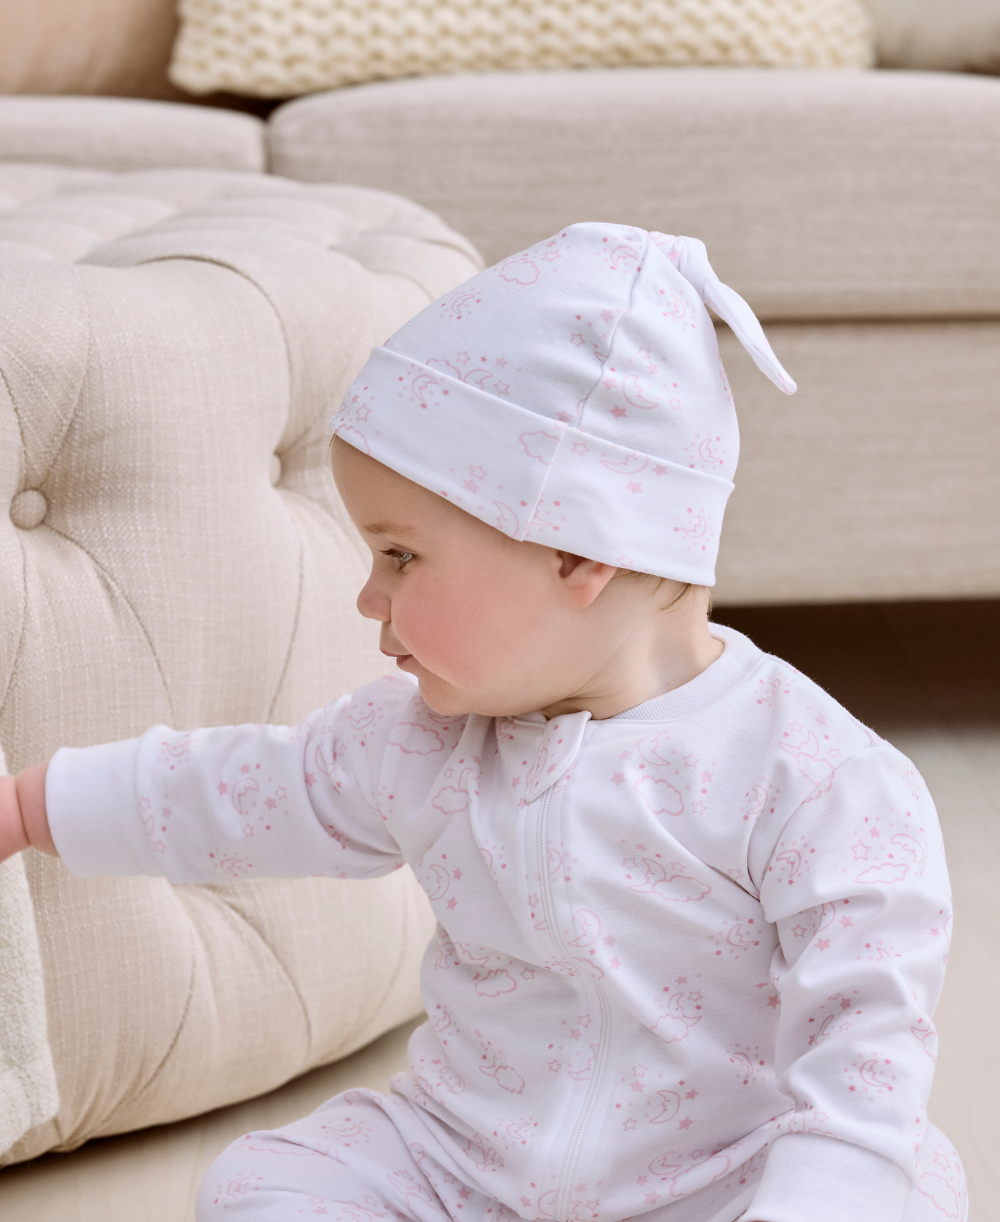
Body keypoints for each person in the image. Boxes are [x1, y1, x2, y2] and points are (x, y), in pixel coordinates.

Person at [0, 225, 966, 1222]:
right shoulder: (419, 742)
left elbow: (863, 1062)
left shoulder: (814, 780)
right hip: (470, 1159)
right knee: (260, 1186)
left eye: (400, 556)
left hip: (723, 1179)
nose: (368, 597)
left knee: (888, 1191)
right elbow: (243, 789)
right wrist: (33, 804)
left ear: (574, 547)